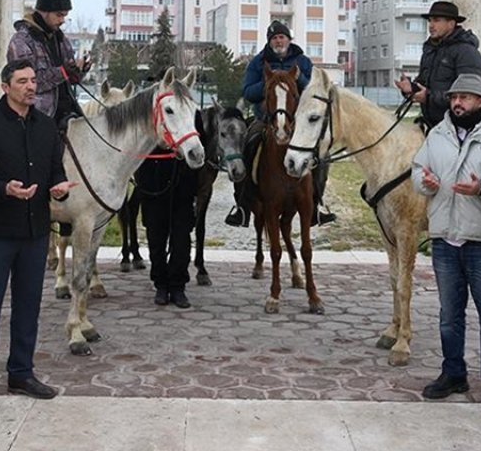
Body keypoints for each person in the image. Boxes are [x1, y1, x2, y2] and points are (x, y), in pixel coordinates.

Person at [0, 59, 78, 417]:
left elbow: (56, 170)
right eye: (22, 81)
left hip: (35, 232)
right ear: (5, 86)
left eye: (33, 81)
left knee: (29, 307)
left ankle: (21, 374)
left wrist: (58, 190)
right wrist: (3, 189)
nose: (30, 86)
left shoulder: (46, 128)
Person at [410, 74, 481, 414]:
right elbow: (417, 169)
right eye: (455, 97)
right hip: (445, 239)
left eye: (466, 98)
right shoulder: (437, 134)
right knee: (448, 317)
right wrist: (425, 181)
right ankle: (453, 373)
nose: (458, 103)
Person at [226, 21, 334, 226]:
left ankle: (316, 204)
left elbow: (315, 90)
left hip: (299, 123)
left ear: (288, 39)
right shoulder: (258, 62)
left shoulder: (302, 61)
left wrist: (299, 79)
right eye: (274, 38)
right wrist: (270, 83)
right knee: (246, 148)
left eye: (281, 37)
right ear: (269, 41)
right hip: (265, 120)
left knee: (322, 156)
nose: (278, 41)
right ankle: (241, 206)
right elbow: (248, 92)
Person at [135, 111, 203, 308]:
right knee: (156, 239)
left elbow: (200, 145)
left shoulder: (192, 113)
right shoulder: (149, 114)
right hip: (153, 184)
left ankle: (178, 285)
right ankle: (161, 285)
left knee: (181, 240)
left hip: (183, 184)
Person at [395, 1, 481, 133]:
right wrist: (411, 89)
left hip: (460, 129)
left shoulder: (467, 52)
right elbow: (424, 84)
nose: (431, 25)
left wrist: (428, 97)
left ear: (451, 23)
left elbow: (469, 95)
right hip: (432, 125)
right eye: (430, 21)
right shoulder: (430, 50)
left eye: (436, 20)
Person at [7, 0, 88, 125]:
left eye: (65, 15)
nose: (62, 20)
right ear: (43, 12)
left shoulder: (61, 40)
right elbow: (28, 84)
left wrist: (79, 71)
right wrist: (63, 72)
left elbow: (69, 78)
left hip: (68, 113)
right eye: (59, 15)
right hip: (36, 118)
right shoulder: (21, 41)